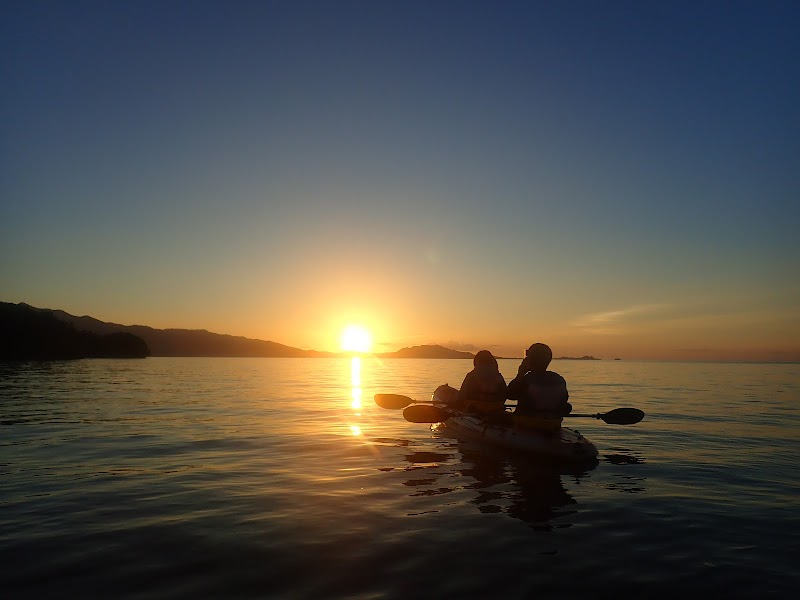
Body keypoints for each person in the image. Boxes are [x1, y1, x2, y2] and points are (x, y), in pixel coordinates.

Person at [506, 343, 572, 432]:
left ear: (530, 360)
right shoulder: (559, 380)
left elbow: (509, 395)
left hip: (527, 424)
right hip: (553, 425)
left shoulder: (526, 380)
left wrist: (520, 373)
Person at [457, 350, 508, 416]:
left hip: (475, 409)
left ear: (477, 362)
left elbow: (462, 395)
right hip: (496, 409)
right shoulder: (499, 376)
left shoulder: (471, 375)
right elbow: (504, 396)